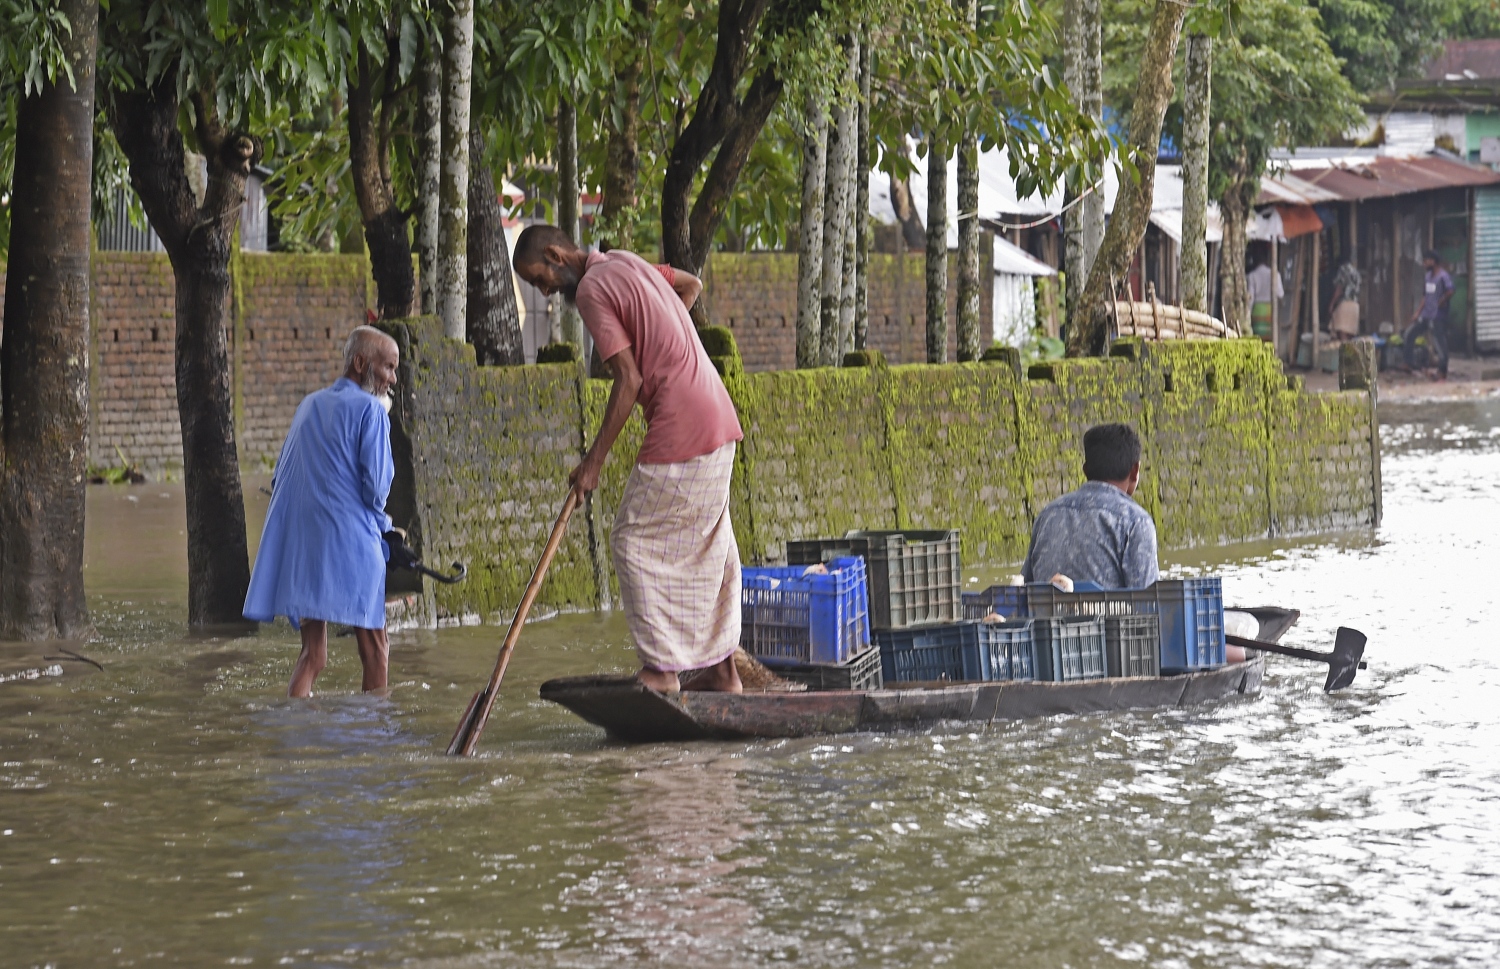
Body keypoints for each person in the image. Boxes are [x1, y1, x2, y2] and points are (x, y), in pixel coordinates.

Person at [512, 225, 746, 694]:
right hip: (718, 418)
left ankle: (661, 672)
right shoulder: (624, 262)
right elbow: (689, 284)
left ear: (558, 254)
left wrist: (593, 463)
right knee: (709, 547)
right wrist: (664, 341)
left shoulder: (594, 289)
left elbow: (629, 381)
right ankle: (722, 672)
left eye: (541, 278)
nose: (545, 291)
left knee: (632, 541)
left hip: (684, 424)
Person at [244, 326, 400, 697]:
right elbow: (376, 489)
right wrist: (388, 530)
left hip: (303, 548)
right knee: (375, 651)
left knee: (313, 656)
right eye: (388, 368)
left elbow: (283, 473)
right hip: (350, 544)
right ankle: (373, 740)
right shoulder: (372, 412)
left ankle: (297, 730)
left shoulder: (309, 404)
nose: (392, 379)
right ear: (360, 363)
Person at [1022, 423, 1158, 591]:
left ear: (1085, 471)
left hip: (1046, 616)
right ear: (1135, 470)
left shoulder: (1047, 515)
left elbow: (1024, 587)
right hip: (1108, 618)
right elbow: (1149, 601)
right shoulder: (1136, 522)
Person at [1402, 250, 1454, 380]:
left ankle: (1442, 372)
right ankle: (1409, 363)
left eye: (1426, 261)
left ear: (1433, 261)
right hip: (1426, 314)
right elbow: (1425, 296)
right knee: (1409, 334)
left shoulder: (1443, 276)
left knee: (1439, 344)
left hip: (1438, 316)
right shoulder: (1427, 277)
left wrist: (1442, 301)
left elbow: (1450, 290)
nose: (1424, 263)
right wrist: (1418, 312)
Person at [1246, 252, 1284, 342]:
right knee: (1269, 340)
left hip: (1257, 310)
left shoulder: (1252, 275)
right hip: (1270, 310)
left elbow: (1250, 298)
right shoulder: (1275, 274)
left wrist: (1248, 314)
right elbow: (1280, 294)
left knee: (1257, 339)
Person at [1328, 260, 1361, 340]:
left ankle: (1343, 351)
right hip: (1355, 306)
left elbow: (1339, 290)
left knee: (1341, 334)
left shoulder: (1343, 270)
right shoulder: (1356, 273)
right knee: (1350, 334)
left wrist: (1331, 304)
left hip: (1345, 305)